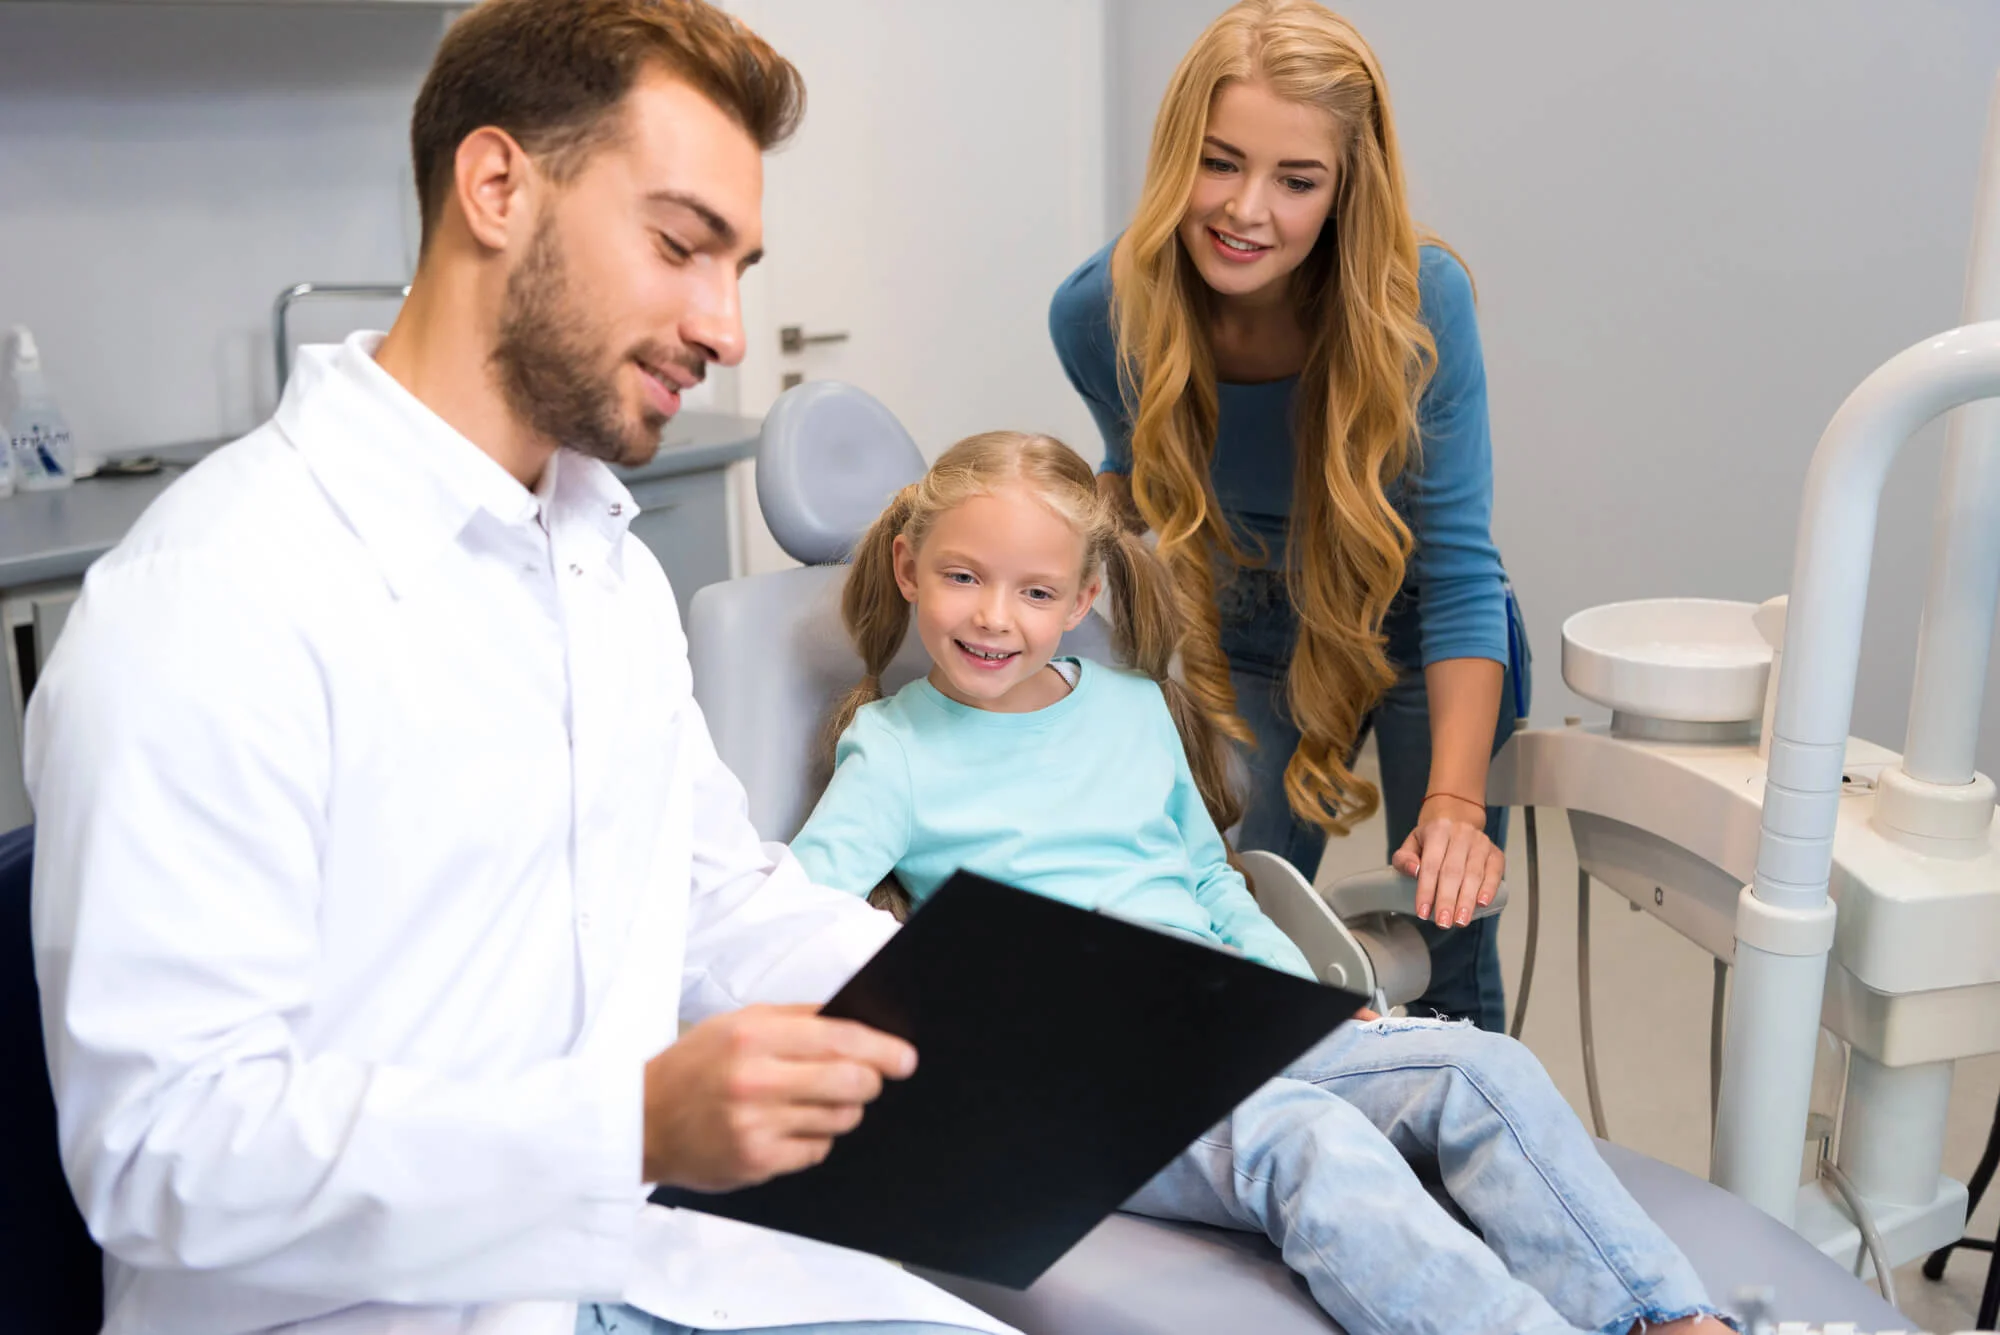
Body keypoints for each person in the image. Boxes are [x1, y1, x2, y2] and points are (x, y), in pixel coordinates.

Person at [25, 3, 1017, 1332]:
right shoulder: (209, 601)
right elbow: (160, 1148)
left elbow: (717, 905)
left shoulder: (595, 558)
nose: (727, 326)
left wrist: (1008, 1003)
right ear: (495, 185)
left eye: (739, 264)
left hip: (600, 1274)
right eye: (679, 245)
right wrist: (627, 1125)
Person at [789, 430, 1724, 1335]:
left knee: (1485, 1065)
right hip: (1085, 1078)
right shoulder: (897, 750)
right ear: (910, 568)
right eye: (963, 577)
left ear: (1082, 600)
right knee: (1310, 1141)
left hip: (1225, 1018)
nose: (994, 616)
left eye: (1034, 590)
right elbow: (794, 919)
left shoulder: (1129, 706)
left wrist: (1299, 991)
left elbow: (1207, 874)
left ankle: (1666, 1315)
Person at [1050, 0, 1530, 1031]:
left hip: (1415, 628)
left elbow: (1454, 575)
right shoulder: (1098, 314)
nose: (1244, 210)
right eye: (1217, 162)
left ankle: (1463, 1170)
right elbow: (1140, 485)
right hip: (1241, 631)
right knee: (1235, 937)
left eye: (1295, 179)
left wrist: (1453, 809)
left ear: (1344, 190)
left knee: (1443, 954)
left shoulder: (1419, 306)